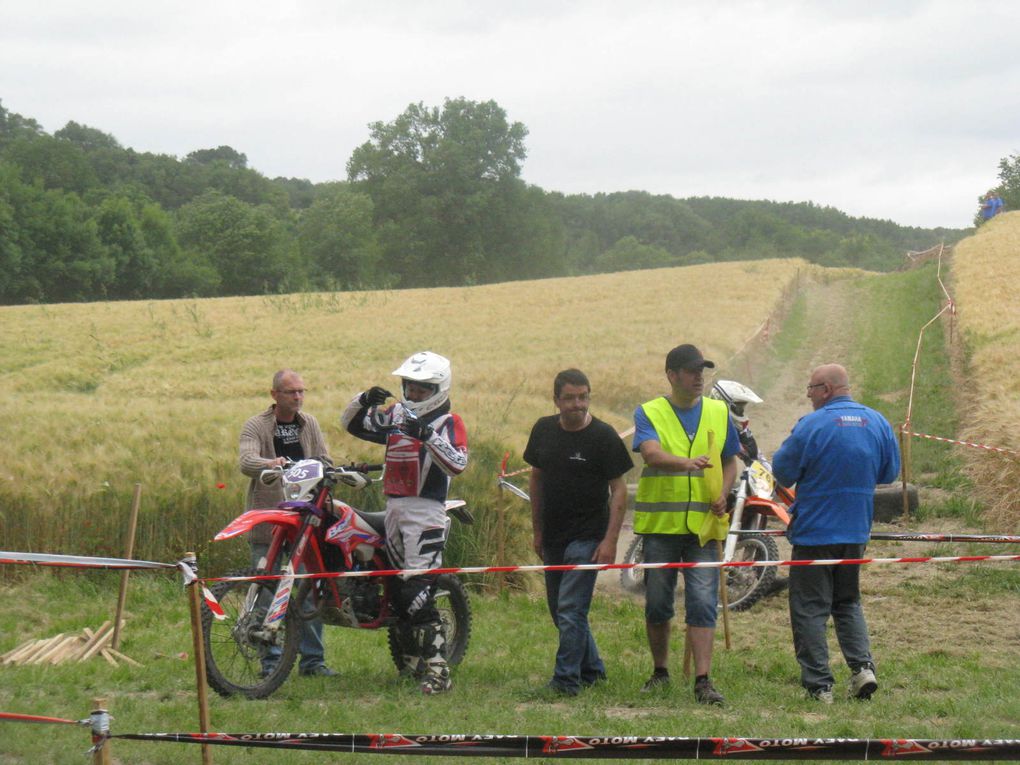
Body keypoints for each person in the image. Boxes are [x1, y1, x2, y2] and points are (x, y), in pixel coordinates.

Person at [771, 364, 900, 704]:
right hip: (856, 529)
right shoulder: (879, 422)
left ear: (826, 389)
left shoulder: (811, 425)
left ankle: (819, 685)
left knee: (810, 607)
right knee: (847, 602)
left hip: (814, 532)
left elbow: (782, 472)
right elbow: (889, 474)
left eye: (811, 388)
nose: (809, 395)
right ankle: (862, 669)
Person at [342, 351, 468, 695]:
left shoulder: (449, 422)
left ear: (438, 390)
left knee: (416, 589)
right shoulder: (396, 415)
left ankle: (440, 670)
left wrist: (425, 434)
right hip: (394, 507)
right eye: (409, 388)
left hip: (425, 511)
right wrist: (363, 401)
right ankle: (411, 660)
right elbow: (354, 425)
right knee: (396, 589)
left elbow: (458, 464)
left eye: (421, 390)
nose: (412, 395)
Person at [632, 344, 740, 705]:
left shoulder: (718, 412)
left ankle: (703, 681)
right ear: (672, 375)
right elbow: (651, 454)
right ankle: (660, 671)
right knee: (658, 603)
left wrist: (724, 492)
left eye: (702, 371)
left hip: (704, 528)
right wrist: (687, 463)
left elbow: (730, 463)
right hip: (661, 527)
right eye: (692, 371)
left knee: (703, 602)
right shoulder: (649, 412)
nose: (699, 378)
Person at [523, 369, 634, 696]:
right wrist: (538, 531)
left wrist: (610, 540)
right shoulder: (543, 430)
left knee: (572, 609)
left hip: (588, 538)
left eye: (583, 396)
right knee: (559, 611)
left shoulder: (604, 436)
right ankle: (593, 670)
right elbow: (535, 479)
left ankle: (566, 681)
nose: (578, 404)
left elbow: (620, 490)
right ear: (556, 400)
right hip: (554, 536)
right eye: (570, 398)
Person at [238, 369, 336, 677]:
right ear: (274, 395)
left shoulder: (311, 424)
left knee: (309, 588)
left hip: (305, 522)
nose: (298, 397)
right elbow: (246, 462)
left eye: (301, 391)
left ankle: (313, 662)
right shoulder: (256, 425)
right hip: (269, 522)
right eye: (291, 392)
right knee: (266, 590)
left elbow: (325, 460)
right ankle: (271, 662)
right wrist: (271, 464)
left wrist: (326, 470)